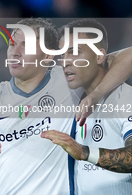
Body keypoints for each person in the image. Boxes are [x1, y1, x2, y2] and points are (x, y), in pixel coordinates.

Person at [0, 18, 132, 194]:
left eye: (26, 45)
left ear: (49, 55)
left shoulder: (68, 82)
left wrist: (95, 94)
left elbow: (126, 56)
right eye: (12, 44)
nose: (15, 52)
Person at [41, 19, 132, 194]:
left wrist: (84, 152)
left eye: (75, 52)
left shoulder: (124, 99)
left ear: (99, 55)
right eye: (62, 55)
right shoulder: (72, 98)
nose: (65, 62)